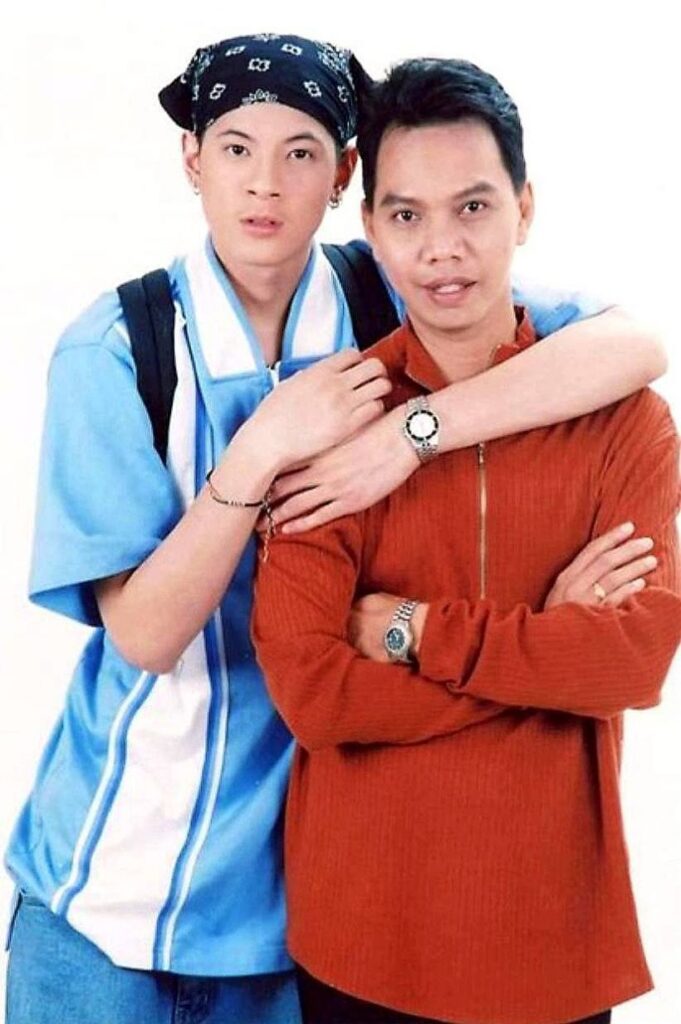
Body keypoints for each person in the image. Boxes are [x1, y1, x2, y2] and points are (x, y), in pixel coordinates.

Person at [3, 33, 669, 1024]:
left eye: (302, 152)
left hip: (293, 910)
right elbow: (145, 636)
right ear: (191, 158)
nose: (265, 184)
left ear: (344, 172)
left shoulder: (391, 288)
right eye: (236, 148)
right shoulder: (117, 347)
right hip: (114, 898)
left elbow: (632, 345)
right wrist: (260, 453)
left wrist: (410, 433)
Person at [252, 57, 681, 1024]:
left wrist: (409, 630)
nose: (441, 249)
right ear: (370, 228)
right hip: (360, 942)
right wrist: (546, 652)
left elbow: (633, 659)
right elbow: (314, 694)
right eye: (406, 215)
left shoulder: (624, 421)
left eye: (473, 208)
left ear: (523, 209)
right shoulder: (327, 428)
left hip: (552, 945)